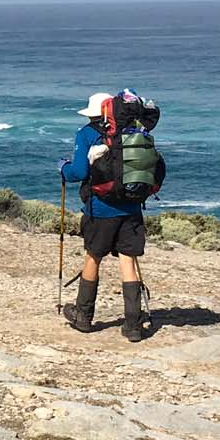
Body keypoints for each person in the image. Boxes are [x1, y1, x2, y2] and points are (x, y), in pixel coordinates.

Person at [60, 92, 148, 342]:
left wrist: (62, 168)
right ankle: (133, 326)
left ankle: (83, 316)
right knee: (128, 261)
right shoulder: (134, 133)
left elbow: (77, 172)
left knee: (93, 257)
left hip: (100, 209)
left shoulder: (87, 134)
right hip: (131, 209)